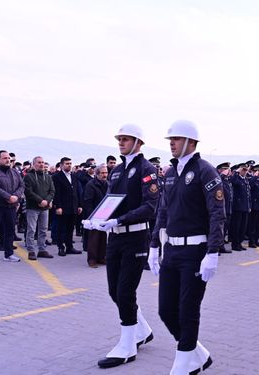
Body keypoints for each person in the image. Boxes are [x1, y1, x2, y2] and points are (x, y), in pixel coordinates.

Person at [148, 120, 224, 373]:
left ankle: (182, 366)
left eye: (177, 139)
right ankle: (197, 353)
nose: (172, 143)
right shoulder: (170, 173)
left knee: (188, 310)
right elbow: (163, 211)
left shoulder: (205, 171)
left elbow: (217, 213)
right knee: (166, 310)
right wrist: (153, 247)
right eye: (170, 140)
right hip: (172, 250)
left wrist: (212, 252)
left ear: (191, 142)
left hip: (195, 251)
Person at [94, 124, 158, 369]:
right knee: (114, 291)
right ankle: (142, 330)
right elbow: (110, 201)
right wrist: (97, 218)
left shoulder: (147, 169)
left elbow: (150, 206)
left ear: (138, 142)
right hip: (116, 236)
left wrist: (119, 219)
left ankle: (127, 346)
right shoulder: (118, 170)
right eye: (119, 139)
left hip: (136, 236)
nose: (120, 142)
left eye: (126, 139)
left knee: (125, 291)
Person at [0, 150, 24, 263]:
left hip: (11, 206)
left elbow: (22, 185)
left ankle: (9, 254)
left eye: (9, 158)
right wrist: (8, 196)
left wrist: (15, 196)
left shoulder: (15, 172)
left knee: (10, 230)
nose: (8, 160)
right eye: (5, 158)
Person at [23, 156, 55, 260]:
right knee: (31, 230)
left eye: (43, 162)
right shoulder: (28, 176)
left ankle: (42, 249)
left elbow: (52, 191)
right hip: (33, 207)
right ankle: (31, 250)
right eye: (39, 162)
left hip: (44, 208)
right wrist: (40, 201)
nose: (41, 164)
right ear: (34, 164)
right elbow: (28, 191)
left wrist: (47, 201)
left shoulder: (48, 177)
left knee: (43, 229)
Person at [51, 157, 83, 256]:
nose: (69, 165)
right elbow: (56, 193)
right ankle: (61, 247)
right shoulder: (56, 177)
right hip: (62, 207)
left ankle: (70, 247)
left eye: (70, 163)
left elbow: (77, 192)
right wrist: (58, 206)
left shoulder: (74, 176)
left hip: (73, 206)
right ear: (61, 165)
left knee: (70, 228)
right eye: (67, 163)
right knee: (61, 229)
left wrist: (79, 205)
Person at [82, 164, 109, 268]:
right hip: (94, 214)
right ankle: (92, 259)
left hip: (105, 214)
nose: (105, 175)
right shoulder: (91, 185)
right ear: (97, 174)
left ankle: (101, 258)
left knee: (103, 237)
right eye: (102, 173)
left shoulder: (108, 184)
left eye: (106, 173)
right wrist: (92, 216)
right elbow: (88, 201)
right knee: (94, 238)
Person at [230, 163, 251, 251]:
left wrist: (249, 206)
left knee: (243, 227)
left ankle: (239, 243)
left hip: (245, 207)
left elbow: (248, 195)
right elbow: (232, 181)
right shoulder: (236, 178)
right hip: (238, 207)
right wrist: (236, 172)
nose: (245, 172)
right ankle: (235, 244)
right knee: (236, 227)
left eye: (246, 170)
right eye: (243, 170)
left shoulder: (245, 180)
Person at [248, 164, 259, 248]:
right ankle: (251, 241)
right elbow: (250, 186)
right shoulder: (252, 179)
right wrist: (254, 176)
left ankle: (256, 239)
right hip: (255, 206)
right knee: (253, 225)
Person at [217, 162, 233, 254]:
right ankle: (217, 247)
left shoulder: (227, 180)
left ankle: (221, 245)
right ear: (221, 170)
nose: (228, 171)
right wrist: (222, 176)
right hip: (221, 208)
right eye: (226, 169)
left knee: (225, 228)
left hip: (228, 207)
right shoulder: (219, 179)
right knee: (219, 229)